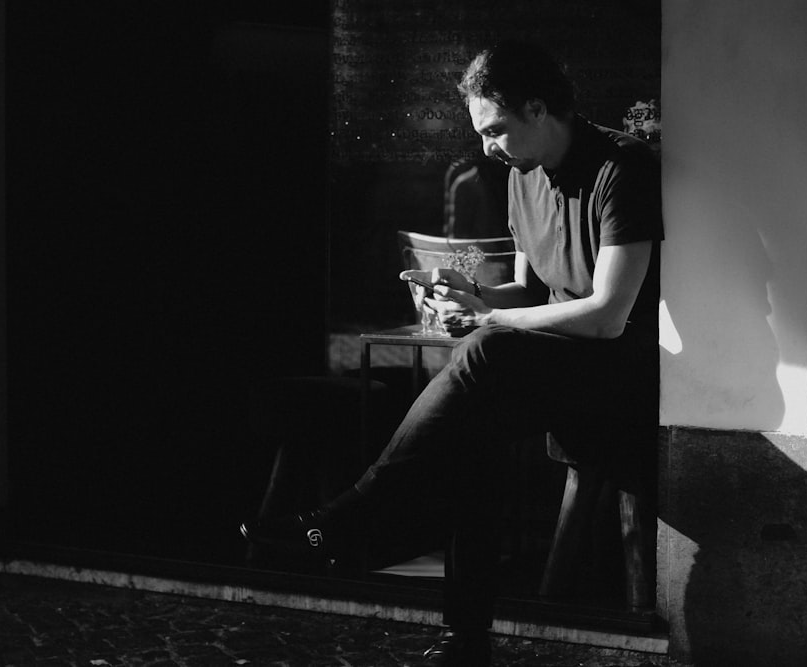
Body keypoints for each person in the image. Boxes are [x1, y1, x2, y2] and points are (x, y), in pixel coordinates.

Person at [240, 39, 664, 667]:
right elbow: (529, 287)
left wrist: (488, 316)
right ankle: (464, 636)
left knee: (489, 350)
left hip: (623, 380)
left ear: (539, 108)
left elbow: (607, 315)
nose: (488, 148)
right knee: (473, 428)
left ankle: (349, 520)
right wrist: (470, 292)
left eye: (496, 130)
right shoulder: (522, 175)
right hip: (551, 364)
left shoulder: (620, 169)